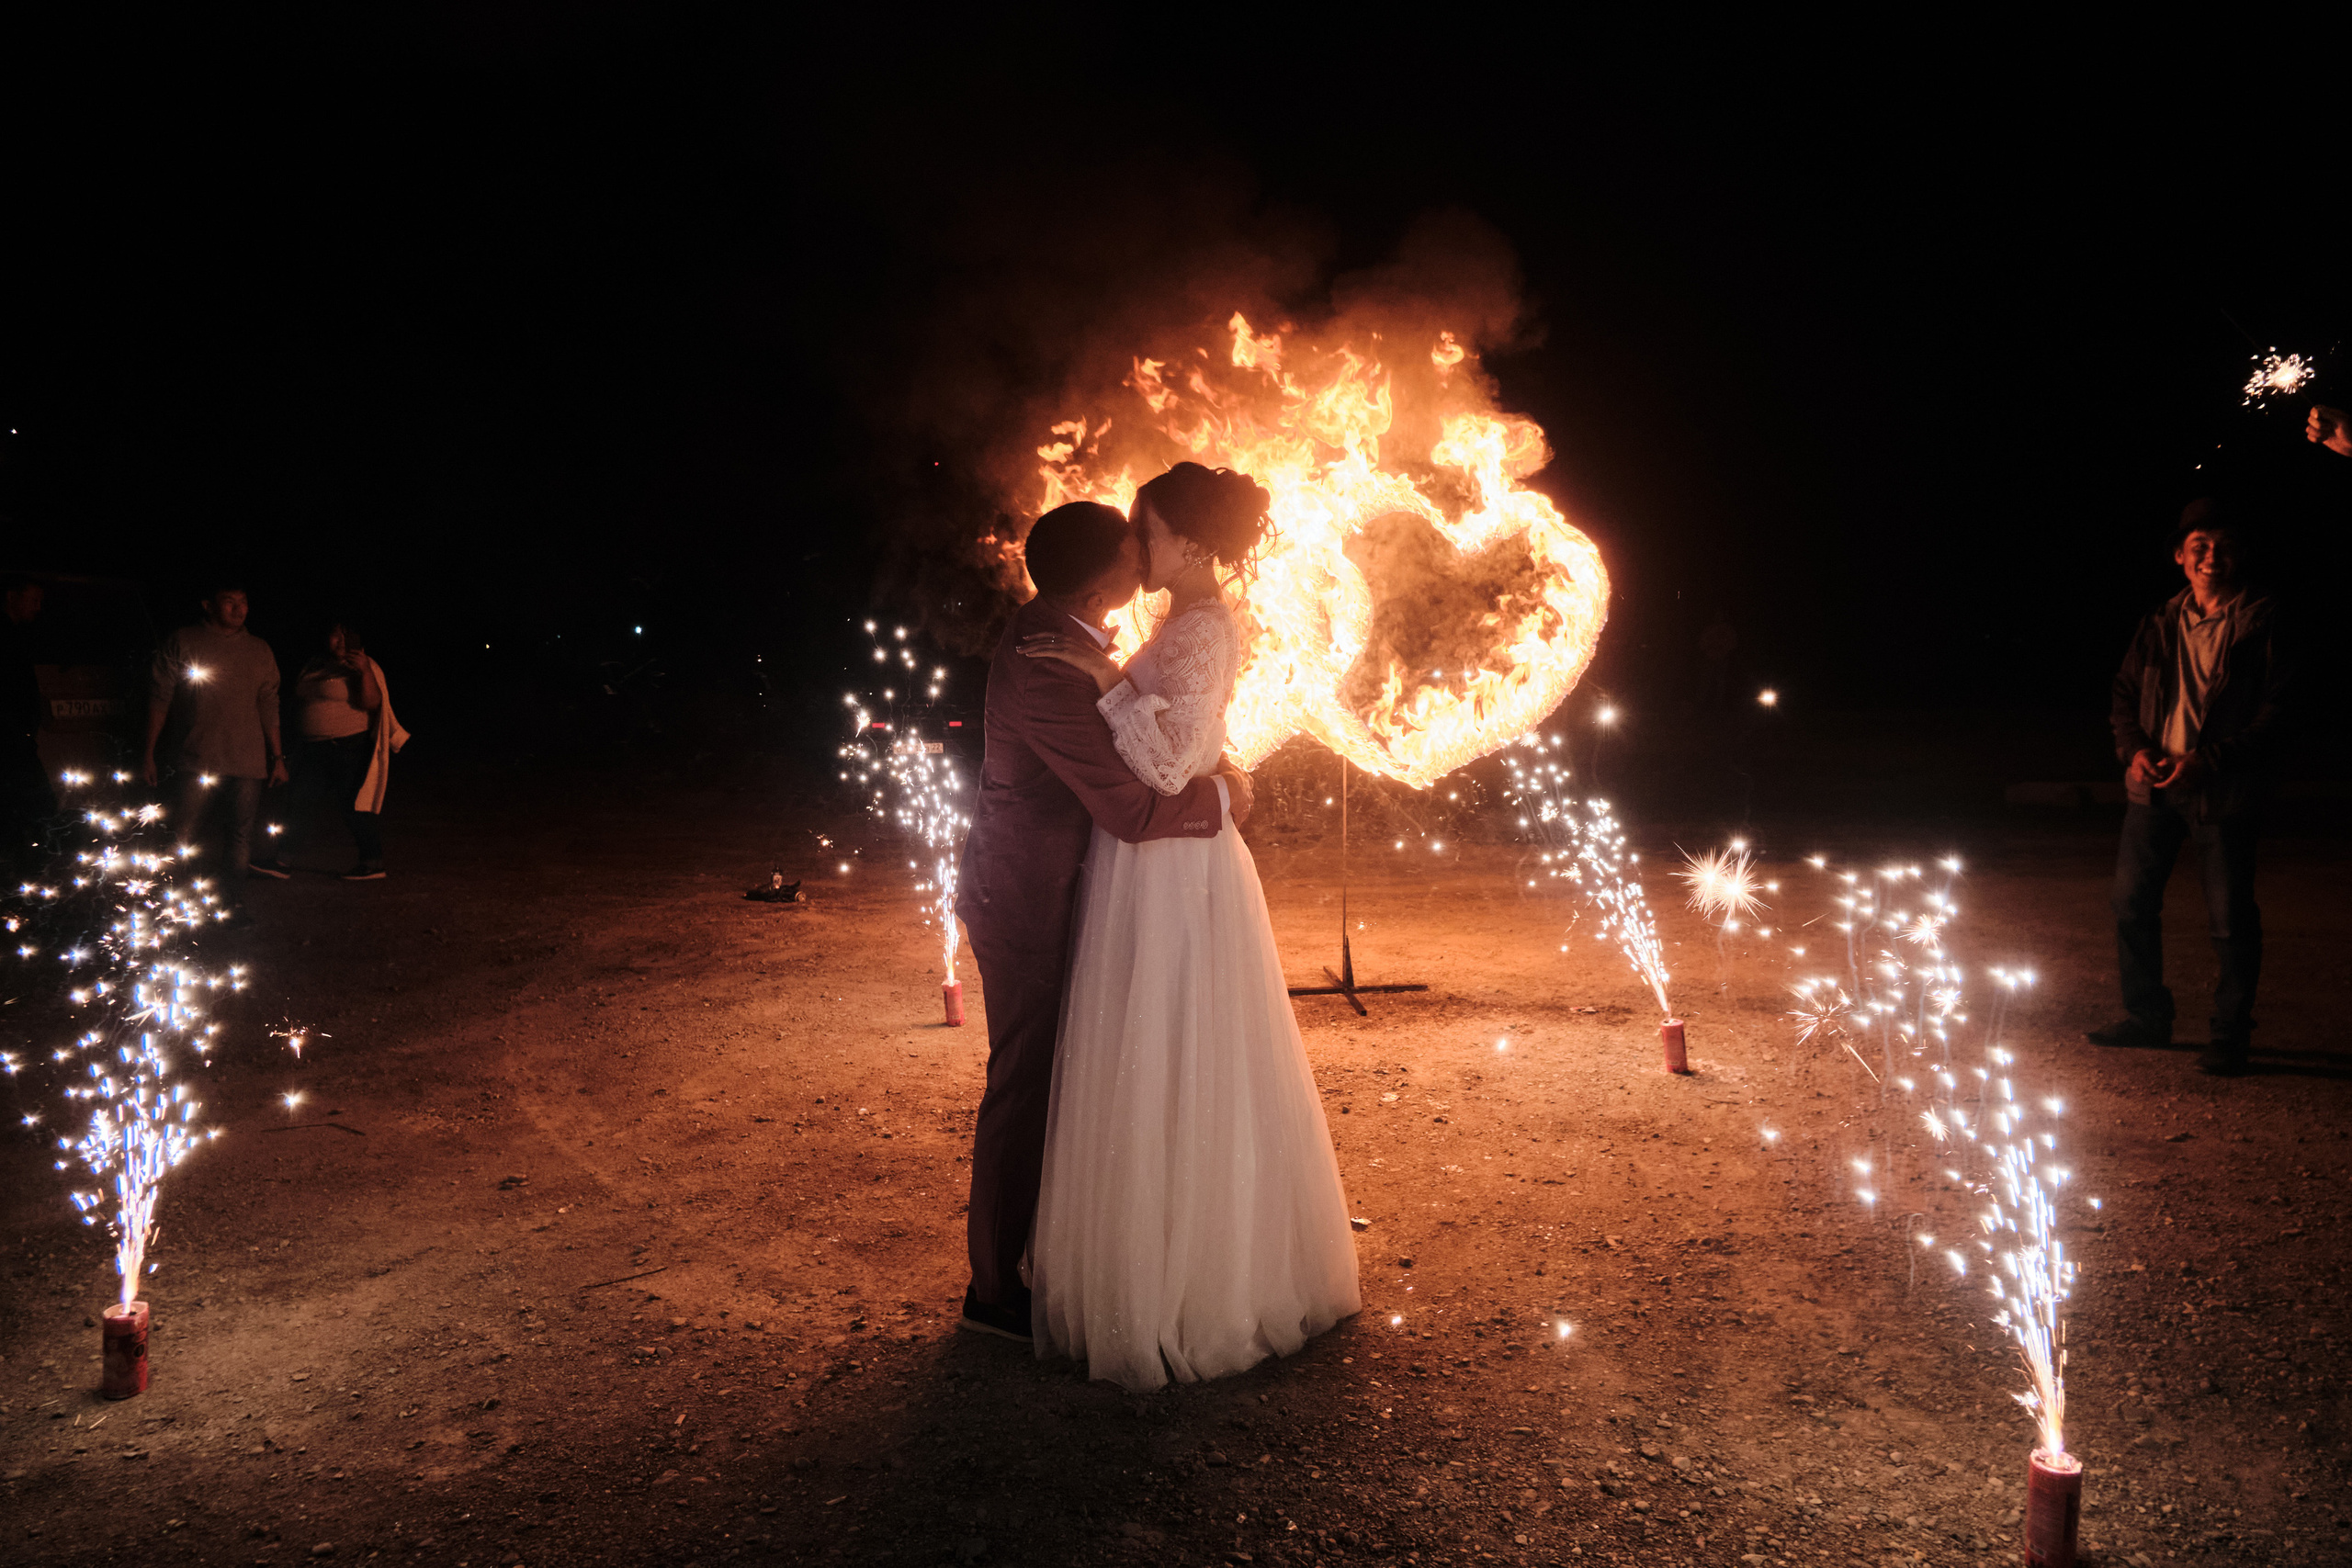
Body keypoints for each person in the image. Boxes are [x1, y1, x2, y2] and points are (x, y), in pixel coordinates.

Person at [1019, 462, 1362, 1391]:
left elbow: (1167, 768)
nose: (1139, 545)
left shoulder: (1204, 627)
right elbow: (1189, 740)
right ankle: (1148, 1255)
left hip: (1173, 863)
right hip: (1147, 863)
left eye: (1151, 530)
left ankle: (1188, 1283)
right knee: (1146, 1040)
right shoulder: (1179, 624)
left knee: (1177, 1043)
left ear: (1197, 545)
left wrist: (1105, 686)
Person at [952, 500, 1250, 1345]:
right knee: (1026, 1080)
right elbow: (1126, 804)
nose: (1143, 547)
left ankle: (1056, 1255)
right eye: (1133, 540)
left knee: (1065, 1075)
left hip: (1058, 886)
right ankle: (994, 1292)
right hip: (1026, 898)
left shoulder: (1064, 631)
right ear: (1108, 572)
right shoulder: (1052, 661)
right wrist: (1223, 797)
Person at [2088, 499, 2293, 1076]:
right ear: (2180, 556)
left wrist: (2210, 761)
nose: (2211, 556)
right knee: (2131, 904)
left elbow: (2279, 713)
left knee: (2229, 918)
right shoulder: (2160, 622)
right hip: (2154, 788)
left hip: (2222, 792)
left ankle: (2230, 1036)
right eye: (2199, 545)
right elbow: (2125, 695)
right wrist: (2135, 752)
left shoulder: (2262, 621)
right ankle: (2147, 1017)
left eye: (2223, 545)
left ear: (2240, 555)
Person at [144, 582, 286, 910]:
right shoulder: (184, 641)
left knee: (240, 837)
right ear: (208, 605)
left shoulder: (259, 649)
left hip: (247, 761)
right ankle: (168, 906)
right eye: (229, 602)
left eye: (244, 602)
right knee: (182, 834)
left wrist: (278, 757)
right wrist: (149, 752)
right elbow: (160, 698)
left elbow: (269, 704)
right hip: (198, 757)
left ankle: (231, 905)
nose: (239, 609)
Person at [254, 620, 402, 881]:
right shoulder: (316, 664)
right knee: (299, 802)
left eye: (347, 635)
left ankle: (372, 862)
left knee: (354, 806)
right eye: (336, 633)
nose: (341, 640)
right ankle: (282, 861)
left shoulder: (364, 665)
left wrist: (364, 671)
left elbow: (372, 702)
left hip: (348, 748)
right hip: (313, 748)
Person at [1, 573, 51, 874]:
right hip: (9, 740)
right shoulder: (4, 636)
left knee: (29, 805)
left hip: (16, 737)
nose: (38, 607)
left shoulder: (15, 634)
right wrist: (18, 732)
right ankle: (25, 876)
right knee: (36, 804)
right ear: (11, 596)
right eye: (33, 599)